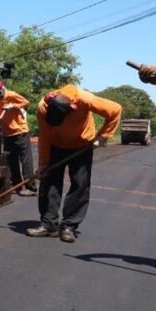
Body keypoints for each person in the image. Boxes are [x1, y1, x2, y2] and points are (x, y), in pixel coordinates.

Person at [26, 85, 121, 243]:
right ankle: (49, 225)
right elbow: (44, 136)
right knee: (49, 183)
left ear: (71, 109)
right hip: (56, 145)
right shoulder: (43, 106)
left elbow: (115, 110)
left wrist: (103, 136)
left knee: (80, 184)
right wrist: (43, 163)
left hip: (82, 145)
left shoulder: (85, 99)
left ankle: (69, 226)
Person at [0, 77, 37, 197]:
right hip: (7, 133)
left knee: (26, 161)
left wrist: (13, 106)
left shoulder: (10, 94)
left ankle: (31, 187)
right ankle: (16, 186)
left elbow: (26, 102)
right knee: (11, 161)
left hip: (20, 131)